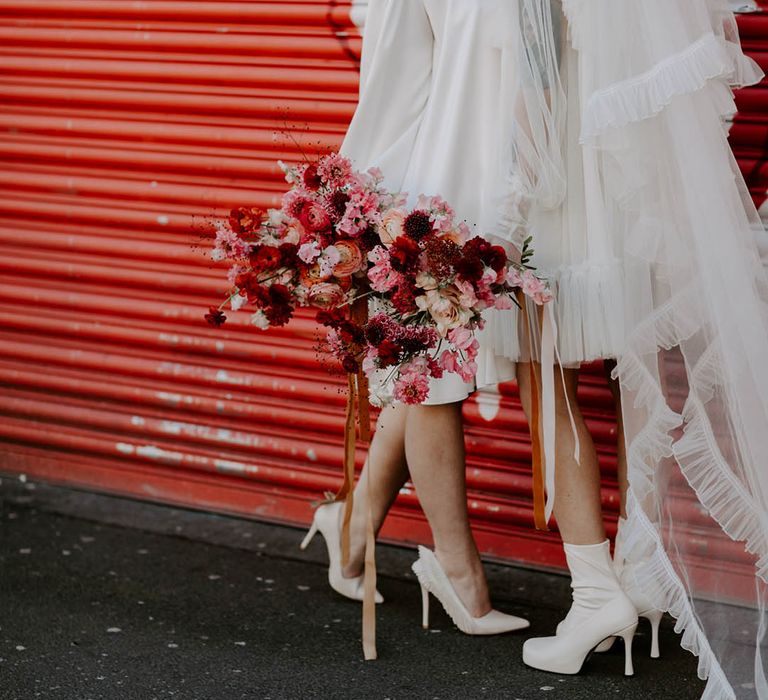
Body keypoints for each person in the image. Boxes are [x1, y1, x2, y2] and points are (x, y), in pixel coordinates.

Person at [504, 2, 768, 696]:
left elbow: (535, 72)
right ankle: (641, 566)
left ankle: (595, 596)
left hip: (557, 176)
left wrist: (508, 200)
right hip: (624, 178)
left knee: (545, 377)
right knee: (634, 369)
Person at [301, 0, 530, 636]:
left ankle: (351, 522)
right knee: (433, 383)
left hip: (528, 188)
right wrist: (360, 220)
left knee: (429, 382)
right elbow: (392, 86)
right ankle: (460, 577)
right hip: (444, 198)